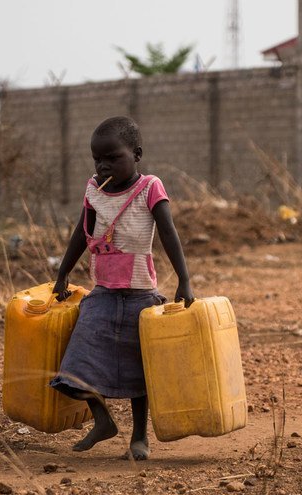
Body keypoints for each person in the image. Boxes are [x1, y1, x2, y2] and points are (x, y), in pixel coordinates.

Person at [49, 116, 193, 461]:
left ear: (137, 154)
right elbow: (80, 235)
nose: (103, 165)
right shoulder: (93, 191)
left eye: (113, 157)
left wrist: (185, 279)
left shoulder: (150, 188)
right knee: (76, 361)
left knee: (138, 370)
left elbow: (169, 235)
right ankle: (102, 420)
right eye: (98, 158)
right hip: (103, 294)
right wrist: (63, 272)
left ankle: (139, 437)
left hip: (141, 294)